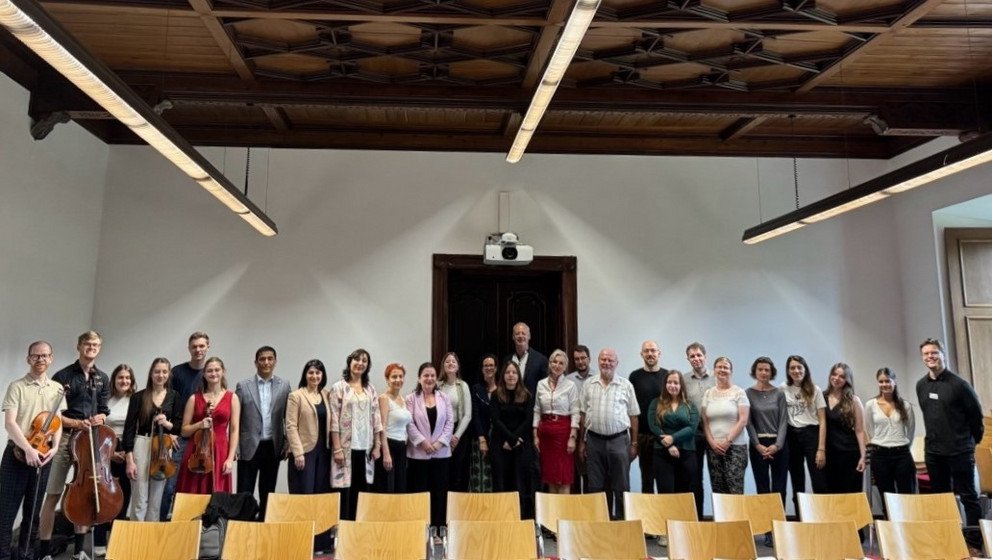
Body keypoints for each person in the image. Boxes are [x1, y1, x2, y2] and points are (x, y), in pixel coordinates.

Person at [39, 330, 110, 560]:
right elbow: (54, 414)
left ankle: (79, 550)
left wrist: (101, 418)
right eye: (87, 343)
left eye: (96, 344)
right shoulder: (63, 375)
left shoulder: (103, 378)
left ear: (99, 348)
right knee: (53, 493)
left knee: (84, 492)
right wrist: (79, 422)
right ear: (78, 346)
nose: (91, 347)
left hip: (90, 440)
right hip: (66, 437)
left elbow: (103, 411)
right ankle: (44, 552)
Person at [0, 341, 64, 560]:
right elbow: (10, 423)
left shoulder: (57, 389)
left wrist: (55, 447)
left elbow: (56, 422)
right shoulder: (16, 386)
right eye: (36, 356)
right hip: (16, 455)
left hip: (43, 456)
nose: (40, 360)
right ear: (28, 359)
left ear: (51, 358)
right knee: (6, 513)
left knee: (33, 512)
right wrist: (27, 448)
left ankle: (26, 555)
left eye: (45, 356)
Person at [916, 338, 984, 526]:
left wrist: (969, 443)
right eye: (926, 354)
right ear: (922, 357)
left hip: (959, 451)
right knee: (940, 499)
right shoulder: (921, 385)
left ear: (942, 355)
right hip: (934, 453)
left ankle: (975, 543)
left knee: (968, 497)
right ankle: (947, 537)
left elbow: (976, 418)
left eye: (934, 352)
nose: (930, 357)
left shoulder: (960, 385)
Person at [577, 348, 639, 519]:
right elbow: (582, 415)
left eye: (610, 360)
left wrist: (634, 443)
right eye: (603, 359)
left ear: (616, 363)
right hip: (594, 441)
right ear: (598, 361)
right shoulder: (589, 384)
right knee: (595, 486)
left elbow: (634, 416)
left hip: (619, 440)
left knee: (621, 486)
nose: (606, 363)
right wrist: (582, 442)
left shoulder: (626, 385)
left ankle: (621, 524)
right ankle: (598, 523)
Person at [123, 358, 182, 523]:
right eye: (157, 371)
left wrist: (167, 423)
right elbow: (129, 429)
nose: (160, 375)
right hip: (142, 444)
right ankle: (136, 540)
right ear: (151, 373)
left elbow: (179, 427)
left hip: (163, 447)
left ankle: (150, 543)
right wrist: (130, 460)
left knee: (156, 500)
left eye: (164, 371)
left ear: (169, 374)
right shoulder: (138, 397)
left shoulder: (174, 396)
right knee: (139, 500)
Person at [235, 346, 290, 520]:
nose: (266, 362)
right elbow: (235, 419)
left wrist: (287, 443)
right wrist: (235, 447)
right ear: (256, 362)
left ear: (275, 361)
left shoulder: (284, 386)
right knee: (245, 491)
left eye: (269, 358)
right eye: (262, 359)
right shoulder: (243, 386)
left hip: (272, 446)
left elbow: (288, 418)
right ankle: (242, 528)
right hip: (248, 445)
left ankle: (264, 527)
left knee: (268, 490)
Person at [284, 359, 332, 552]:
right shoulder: (296, 396)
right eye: (311, 373)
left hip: (324, 452)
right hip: (304, 452)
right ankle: (302, 541)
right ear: (305, 374)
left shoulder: (326, 395)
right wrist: (298, 452)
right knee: (304, 497)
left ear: (322, 376)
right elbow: (290, 426)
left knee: (321, 497)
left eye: (318, 373)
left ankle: (321, 542)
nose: (314, 376)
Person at [161, 331, 209, 521]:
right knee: (169, 485)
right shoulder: (178, 373)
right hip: (180, 437)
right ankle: (162, 525)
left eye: (201, 346)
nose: (198, 349)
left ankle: (193, 527)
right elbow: (168, 402)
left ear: (207, 347)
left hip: (204, 440)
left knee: (196, 486)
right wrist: (171, 432)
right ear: (189, 348)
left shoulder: (210, 373)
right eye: (194, 346)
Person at [329, 348, 382, 521]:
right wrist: (337, 449)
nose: (360, 363)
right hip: (345, 448)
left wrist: (378, 445)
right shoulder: (339, 388)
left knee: (362, 491)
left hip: (365, 449)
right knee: (345, 492)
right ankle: (343, 534)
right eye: (357, 360)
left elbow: (377, 418)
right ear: (350, 362)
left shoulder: (370, 389)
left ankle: (359, 533)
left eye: (364, 361)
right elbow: (334, 420)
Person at [177, 357, 240, 494]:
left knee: (217, 493)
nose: (213, 373)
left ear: (223, 372)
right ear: (204, 374)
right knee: (192, 490)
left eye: (217, 370)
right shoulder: (194, 399)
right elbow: (184, 431)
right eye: (209, 371)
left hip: (220, 450)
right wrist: (199, 424)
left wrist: (230, 458)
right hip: (197, 451)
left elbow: (234, 430)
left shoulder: (232, 398)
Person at [92, 364, 135, 556]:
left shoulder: (135, 400)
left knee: (123, 497)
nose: (124, 381)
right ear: (114, 380)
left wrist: (126, 452)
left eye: (127, 378)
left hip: (129, 451)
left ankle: (118, 540)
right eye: (120, 378)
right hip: (105, 450)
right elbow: (97, 429)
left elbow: (136, 428)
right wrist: (110, 453)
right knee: (103, 495)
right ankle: (99, 540)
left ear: (131, 381)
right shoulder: (105, 400)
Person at [406, 362, 454, 536]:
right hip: (418, 454)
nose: (429, 378)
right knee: (420, 492)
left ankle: (439, 530)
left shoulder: (444, 398)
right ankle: (421, 530)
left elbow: (450, 422)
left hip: (441, 453)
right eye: (426, 375)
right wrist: (422, 442)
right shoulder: (411, 398)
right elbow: (409, 423)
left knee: (439, 492)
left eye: (432, 375)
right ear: (419, 378)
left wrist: (440, 443)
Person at [783, 354, 826, 515]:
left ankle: (823, 518)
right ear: (788, 371)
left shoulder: (815, 389)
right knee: (797, 480)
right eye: (792, 368)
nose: (796, 370)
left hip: (811, 435)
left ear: (805, 369)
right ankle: (801, 519)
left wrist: (821, 449)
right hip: (792, 436)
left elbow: (822, 420)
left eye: (799, 367)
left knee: (819, 479)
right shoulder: (783, 389)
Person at [865, 367, 916, 503]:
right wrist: (882, 441)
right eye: (881, 382)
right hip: (880, 455)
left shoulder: (905, 406)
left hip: (902, 455)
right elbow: (869, 429)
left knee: (907, 496)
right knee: (887, 497)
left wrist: (900, 445)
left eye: (888, 381)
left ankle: (909, 524)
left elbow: (910, 431)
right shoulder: (871, 405)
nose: (884, 385)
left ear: (894, 381)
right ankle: (889, 523)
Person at [492, 361, 536, 517]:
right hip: (500, 444)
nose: (511, 375)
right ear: (503, 375)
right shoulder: (496, 394)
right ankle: (501, 518)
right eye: (508, 372)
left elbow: (528, 420)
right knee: (501, 483)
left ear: (519, 376)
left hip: (521, 444)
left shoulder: (527, 395)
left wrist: (514, 439)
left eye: (514, 372)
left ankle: (521, 519)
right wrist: (510, 439)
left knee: (520, 483)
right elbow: (496, 420)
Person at [533, 349, 579, 494]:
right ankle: (553, 513)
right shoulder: (541, 384)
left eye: (561, 363)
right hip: (545, 433)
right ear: (550, 364)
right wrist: (535, 434)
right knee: (550, 476)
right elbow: (537, 410)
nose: (557, 365)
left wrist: (573, 437)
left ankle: (564, 513)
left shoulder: (570, 385)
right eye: (554, 362)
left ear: (565, 367)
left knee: (563, 475)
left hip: (563, 433)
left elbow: (575, 412)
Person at [701, 357, 749, 495]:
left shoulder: (739, 392)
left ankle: (738, 517)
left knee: (735, 490)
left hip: (735, 448)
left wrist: (728, 441)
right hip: (713, 448)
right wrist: (712, 443)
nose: (722, 370)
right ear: (714, 371)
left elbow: (743, 420)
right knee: (718, 491)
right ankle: (721, 518)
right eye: (719, 367)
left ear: (731, 371)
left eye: (726, 367)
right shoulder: (708, 393)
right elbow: (704, 420)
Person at [648, 370, 699, 495]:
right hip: (662, 452)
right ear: (665, 385)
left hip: (686, 453)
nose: (672, 385)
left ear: (681, 385)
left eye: (676, 383)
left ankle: (682, 516)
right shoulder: (656, 403)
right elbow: (653, 426)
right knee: (665, 493)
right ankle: (665, 516)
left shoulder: (690, 405)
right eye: (669, 382)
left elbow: (691, 428)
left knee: (683, 494)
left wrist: (673, 438)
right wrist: (669, 444)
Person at [745, 357, 788, 506]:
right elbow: (748, 422)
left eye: (767, 370)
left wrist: (777, 445)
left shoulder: (779, 393)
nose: (763, 373)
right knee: (762, 486)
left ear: (772, 373)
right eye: (760, 369)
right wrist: (757, 445)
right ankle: (765, 526)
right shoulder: (748, 394)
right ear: (755, 372)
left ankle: (779, 525)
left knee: (779, 487)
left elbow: (783, 420)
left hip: (779, 445)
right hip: (758, 445)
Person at [630, 340, 668, 495]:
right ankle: (648, 518)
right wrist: (634, 440)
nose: (650, 354)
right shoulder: (634, 376)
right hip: (644, 436)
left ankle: (665, 518)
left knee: (665, 481)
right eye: (646, 351)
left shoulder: (667, 375)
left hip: (664, 436)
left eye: (653, 350)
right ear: (641, 354)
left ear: (659, 353)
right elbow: (631, 410)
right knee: (646, 481)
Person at [823, 363, 866, 494]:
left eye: (841, 376)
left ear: (847, 380)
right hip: (828, 454)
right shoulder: (821, 397)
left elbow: (859, 430)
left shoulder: (853, 400)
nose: (836, 378)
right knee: (830, 494)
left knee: (850, 494)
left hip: (849, 453)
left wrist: (863, 457)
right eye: (834, 374)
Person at [683, 342, 714, 516]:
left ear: (705, 356)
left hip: (715, 434)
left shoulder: (717, 376)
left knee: (718, 479)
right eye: (692, 356)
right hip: (693, 434)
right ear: (688, 359)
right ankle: (698, 520)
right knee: (694, 479)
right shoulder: (684, 380)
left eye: (698, 355)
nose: (696, 359)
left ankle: (723, 524)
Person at [374, 363, 411, 493]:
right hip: (389, 445)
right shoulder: (384, 398)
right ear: (387, 379)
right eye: (394, 377)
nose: (398, 380)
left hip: (401, 447)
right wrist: (386, 454)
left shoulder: (403, 399)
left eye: (401, 376)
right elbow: (381, 427)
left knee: (400, 487)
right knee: (387, 488)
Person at [438, 352, 472, 492]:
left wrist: (456, 436)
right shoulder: (437, 386)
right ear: (443, 366)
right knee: (442, 472)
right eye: (447, 361)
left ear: (457, 366)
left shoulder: (463, 386)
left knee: (457, 472)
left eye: (453, 361)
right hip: (440, 432)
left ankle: (457, 509)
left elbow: (467, 415)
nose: (450, 363)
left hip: (459, 432)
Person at [565, 345, 594, 494]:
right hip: (574, 432)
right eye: (577, 359)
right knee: (574, 475)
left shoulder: (597, 378)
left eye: (583, 358)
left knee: (591, 477)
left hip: (593, 433)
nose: (580, 362)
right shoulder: (568, 380)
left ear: (589, 359)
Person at [469, 354, 497, 492]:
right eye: (486, 365)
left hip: (498, 439)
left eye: (491, 365)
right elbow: (475, 415)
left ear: (496, 368)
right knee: (479, 476)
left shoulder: (502, 389)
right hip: (480, 438)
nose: (489, 368)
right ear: (482, 369)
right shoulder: (476, 389)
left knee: (496, 475)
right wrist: (482, 439)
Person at [506, 322, 548, 396]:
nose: (520, 336)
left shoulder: (541, 360)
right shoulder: (506, 360)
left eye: (523, 333)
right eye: (517, 333)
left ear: (529, 336)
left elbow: (545, 387)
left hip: (532, 406)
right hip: (510, 405)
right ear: (513, 337)